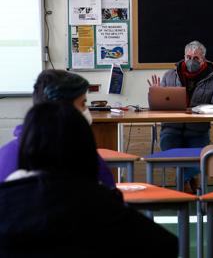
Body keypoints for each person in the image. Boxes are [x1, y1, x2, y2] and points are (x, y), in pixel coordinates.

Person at [0, 102, 177, 257]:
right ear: (86, 148)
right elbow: (166, 244)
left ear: (26, 147)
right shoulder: (102, 202)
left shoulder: (6, 199)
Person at [0, 69, 115, 188]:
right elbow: (109, 197)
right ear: (63, 109)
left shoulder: (5, 153)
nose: (86, 109)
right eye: (82, 103)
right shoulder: (81, 155)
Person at [148, 40, 213, 192]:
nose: (191, 60)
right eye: (188, 57)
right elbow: (157, 108)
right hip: (171, 129)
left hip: (198, 130)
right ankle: (190, 176)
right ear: (184, 56)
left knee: (202, 157)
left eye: (196, 58)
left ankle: (182, 179)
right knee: (170, 155)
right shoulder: (170, 75)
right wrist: (155, 94)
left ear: (204, 59)